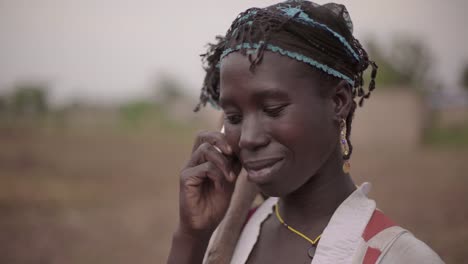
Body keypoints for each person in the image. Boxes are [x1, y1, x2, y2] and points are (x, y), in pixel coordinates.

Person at [167, 1, 444, 263]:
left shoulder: (398, 257)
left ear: (339, 102)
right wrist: (191, 235)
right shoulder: (230, 238)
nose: (248, 138)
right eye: (234, 116)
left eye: (273, 109)